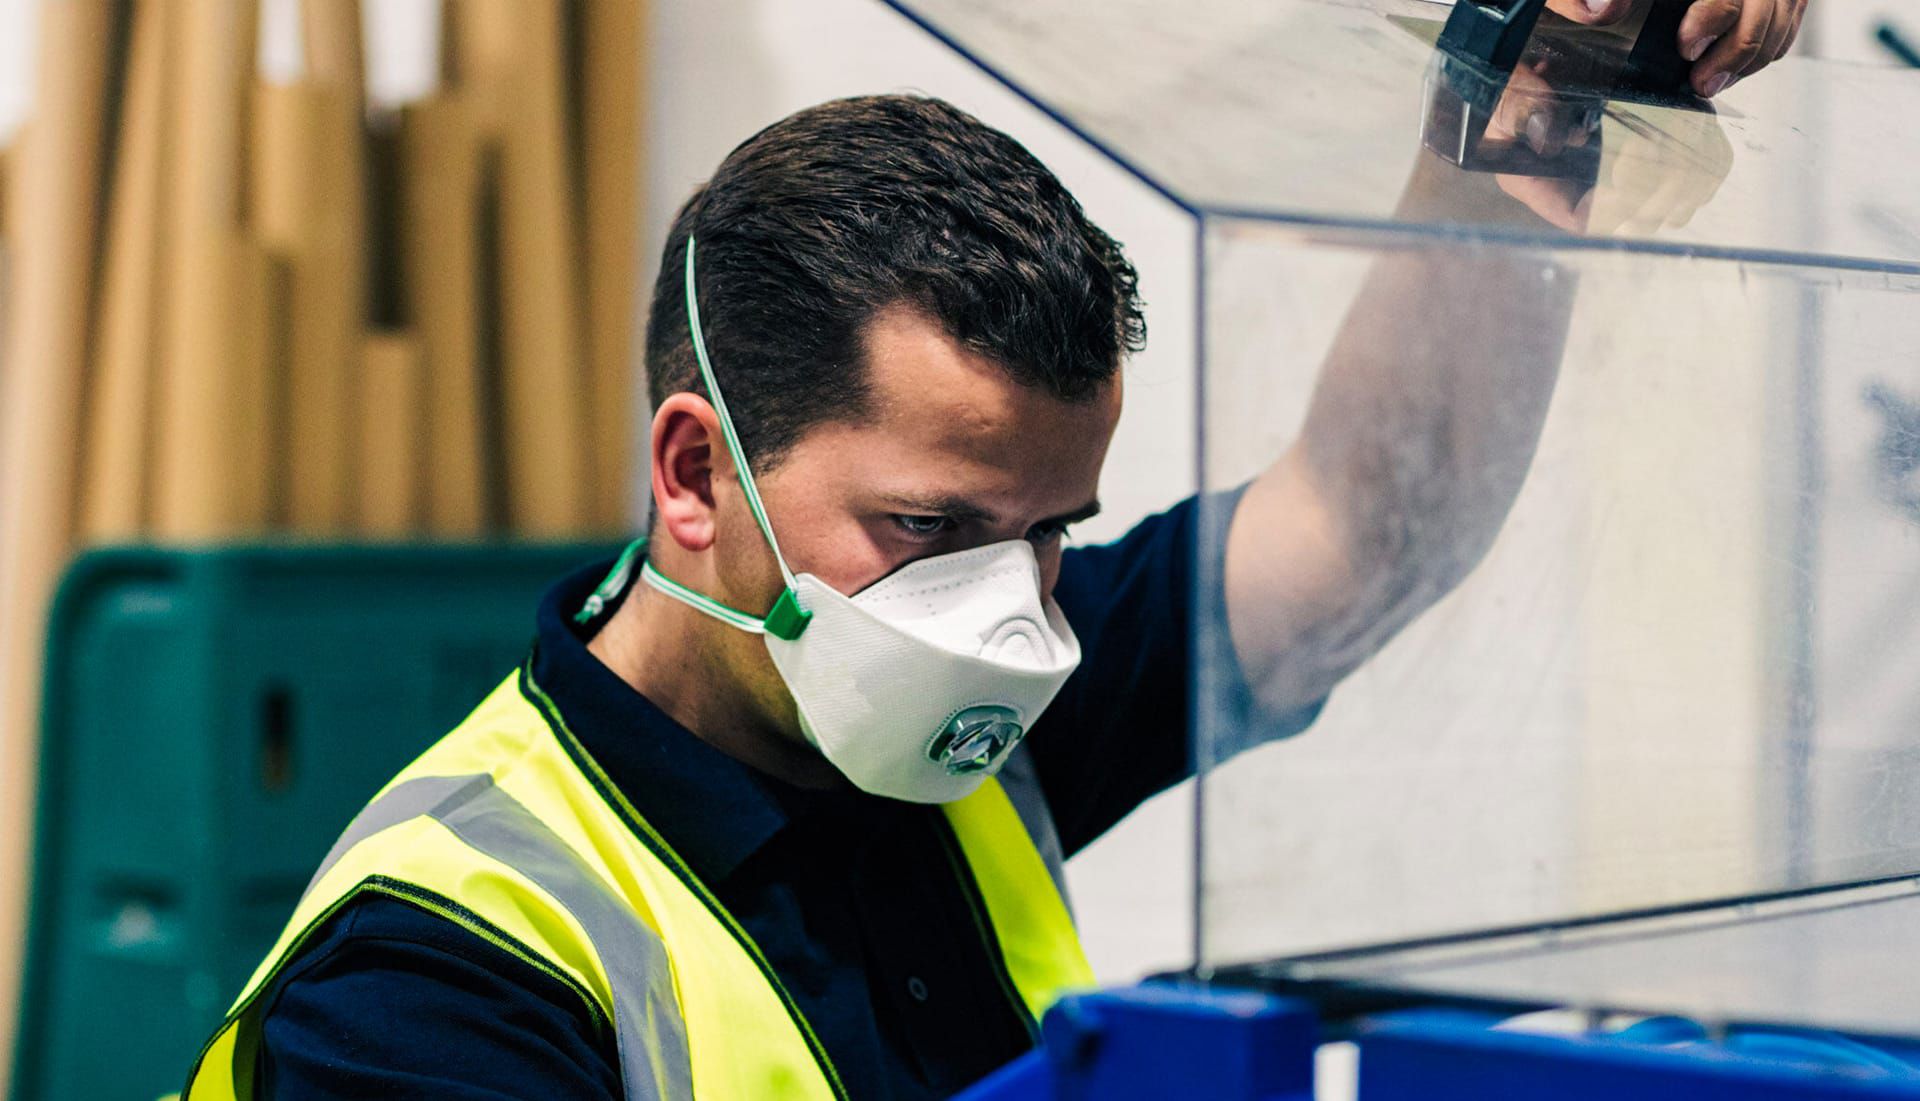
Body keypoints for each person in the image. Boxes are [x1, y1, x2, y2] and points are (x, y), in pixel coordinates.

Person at [183, 1, 1802, 1096]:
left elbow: (1381, 512)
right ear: (696, 472)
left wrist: (1535, 87)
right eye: (928, 528)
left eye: (1052, 533)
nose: (1008, 621)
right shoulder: (430, 980)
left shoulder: (954, 705)